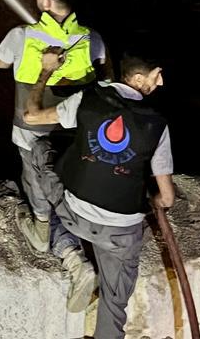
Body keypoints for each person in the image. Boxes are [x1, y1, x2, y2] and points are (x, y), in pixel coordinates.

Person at [23, 46, 175, 339]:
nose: (161, 82)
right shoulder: (157, 125)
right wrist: (151, 200)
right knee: (115, 300)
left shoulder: (88, 99)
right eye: (157, 76)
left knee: (40, 149)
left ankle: (48, 229)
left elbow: (31, 116)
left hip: (74, 214)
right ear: (139, 78)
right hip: (120, 233)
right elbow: (166, 198)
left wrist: (45, 71)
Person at [0, 0, 111, 310]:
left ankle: (53, 240)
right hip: (76, 132)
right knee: (67, 183)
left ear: (45, 1)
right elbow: (103, 69)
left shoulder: (21, 36)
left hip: (32, 131)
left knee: (38, 185)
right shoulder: (92, 38)